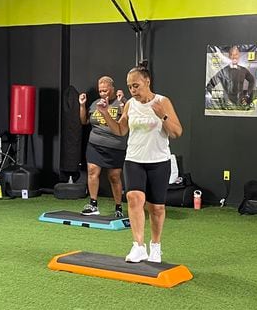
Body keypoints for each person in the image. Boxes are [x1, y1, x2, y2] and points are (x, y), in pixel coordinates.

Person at [99, 66, 182, 263]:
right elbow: (120, 130)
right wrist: (105, 114)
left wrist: (163, 115)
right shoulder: (130, 105)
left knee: (157, 208)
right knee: (134, 199)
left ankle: (155, 246)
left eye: (136, 85)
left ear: (147, 82)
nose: (133, 91)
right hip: (134, 160)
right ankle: (138, 246)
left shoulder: (163, 102)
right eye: (129, 87)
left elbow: (177, 132)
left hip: (158, 162)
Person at [78, 76, 126, 217]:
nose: (103, 93)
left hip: (115, 146)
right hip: (95, 144)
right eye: (100, 91)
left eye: (105, 90)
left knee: (114, 177)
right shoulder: (95, 104)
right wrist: (82, 105)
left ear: (112, 89)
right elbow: (84, 121)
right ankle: (93, 205)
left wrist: (122, 103)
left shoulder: (121, 102)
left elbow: (126, 121)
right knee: (92, 171)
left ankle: (118, 207)